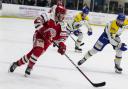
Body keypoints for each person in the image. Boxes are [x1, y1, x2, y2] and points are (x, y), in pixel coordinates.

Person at [8, 5, 68, 77]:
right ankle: (29, 67)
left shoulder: (63, 24)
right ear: (57, 13)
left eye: (64, 15)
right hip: (39, 36)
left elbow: (62, 38)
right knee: (38, 50)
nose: (63, 16)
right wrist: (44, 31)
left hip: (47, 42)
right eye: (62, 14)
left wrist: (62, 46)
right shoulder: (48, 16)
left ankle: (16, 64)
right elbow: (37, 21)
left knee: (31, 55)